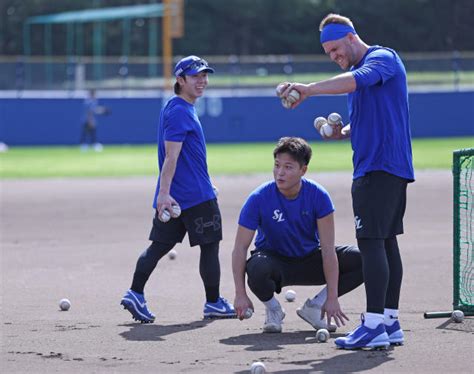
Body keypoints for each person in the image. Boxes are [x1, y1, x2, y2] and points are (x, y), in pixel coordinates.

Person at [279, 14, 415, 349]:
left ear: (352, 38)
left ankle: (372, 325)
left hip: (378, 169)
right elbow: (370, 116)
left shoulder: (381, 58)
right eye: (327, 52)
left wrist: (309, 90)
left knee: (371, 244)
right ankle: (388, 321)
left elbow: (357, 80)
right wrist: (344, 133)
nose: (333, 56)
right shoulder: (363, 72)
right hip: (386, 167)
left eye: (336, 48)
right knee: (384, 244)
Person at [120, 55, 236, 323]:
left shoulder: (177, 107)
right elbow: (171, 157)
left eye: (205, 75)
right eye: (196, 76)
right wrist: (163, 193)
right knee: (209, 247)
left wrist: (201, 182)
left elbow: (184, 159)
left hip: (182, 194)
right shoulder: (180, 111)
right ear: (180, 79)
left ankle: (135, 293)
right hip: (192, 197)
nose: (202, 81)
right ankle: (214, 302)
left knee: (158, 247)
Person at [232, 137, 363, 333]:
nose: (280, 173)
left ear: (303, 170)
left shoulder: (319, 196)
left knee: (363, 259)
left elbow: (328, 250)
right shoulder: (258, 198)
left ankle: (315, 307)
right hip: (273, 262)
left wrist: (332, 298)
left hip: (309, 260)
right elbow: (240, 249)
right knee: (256, 268)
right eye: (277, 165)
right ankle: (274, 310)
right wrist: (240, 294)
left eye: (288, 167)